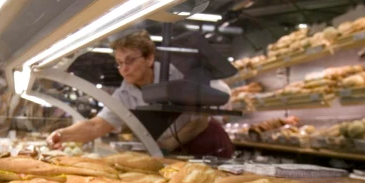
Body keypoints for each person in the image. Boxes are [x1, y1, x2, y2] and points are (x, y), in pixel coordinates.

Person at [46, 30, 234, 157]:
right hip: (171, 150)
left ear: (149, 58)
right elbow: (96, 126)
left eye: (130, 61)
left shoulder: (177, 73)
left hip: (206, 143)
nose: (124, 69)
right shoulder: (124, 93)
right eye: (119, 63)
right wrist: (61, 134)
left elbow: (199, 120)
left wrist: (164, 147)